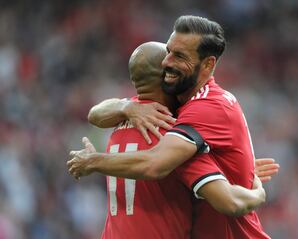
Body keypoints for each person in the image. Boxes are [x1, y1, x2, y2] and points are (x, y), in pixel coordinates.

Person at [68, 15, 274, 238]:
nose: (168, 62)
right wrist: (258, 193)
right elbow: (228, 200)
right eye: (168, 52)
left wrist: (96, 159)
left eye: (179, 56)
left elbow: (153, 160)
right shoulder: (167, 128)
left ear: (208, 64)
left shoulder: (196, 113)